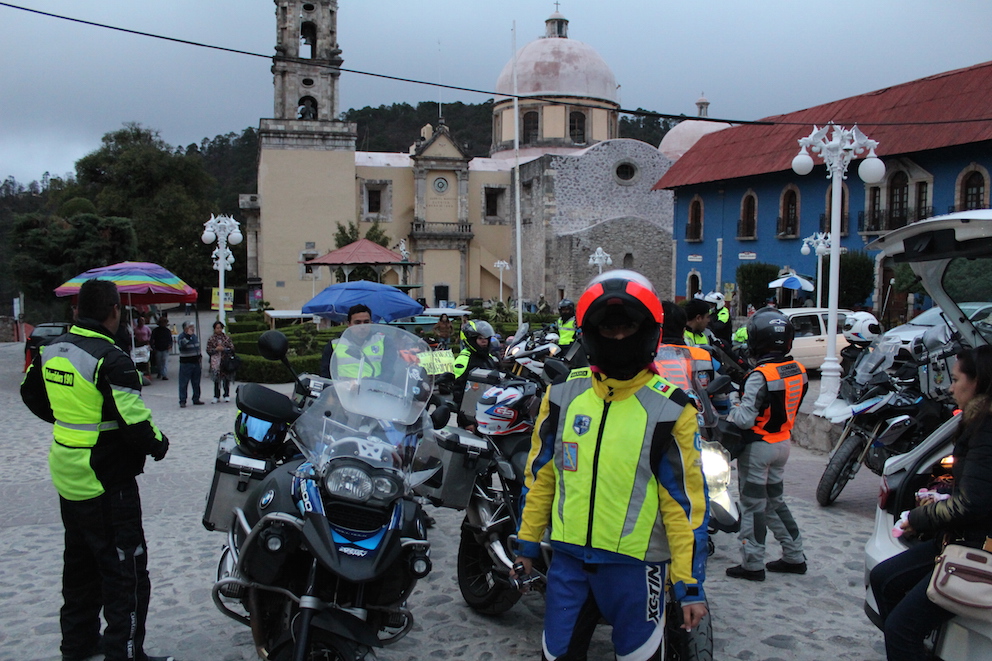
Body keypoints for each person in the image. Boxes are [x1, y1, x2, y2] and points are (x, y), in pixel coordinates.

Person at [514, 270, 708, 660]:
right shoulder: (563, 395)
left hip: (638, 571)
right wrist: (527, 543)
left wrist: (688, 583)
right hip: (568, 566)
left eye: (628, 327)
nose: (618, 337)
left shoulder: (671, 410)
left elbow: (683, 505)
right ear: (590, 332)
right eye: (608, 328)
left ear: (648, 331)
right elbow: (542, 477)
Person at [19, 279, 174, 661]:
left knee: (79, 568)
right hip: (107, 480)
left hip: (68, 472)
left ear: (76, 311)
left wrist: (69, 421)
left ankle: (77, 646)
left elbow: (30, 394)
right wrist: (160, 446)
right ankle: (124, 653)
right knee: (126, 574)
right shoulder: (112, 359)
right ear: (114, 312)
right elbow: (136, 424)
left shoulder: (49, 349)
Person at [869, 345, 992, 660]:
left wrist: (920, 518)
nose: (951, 387)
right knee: (884, 579)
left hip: (976, 544)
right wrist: (939, 499)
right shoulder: (977, 420)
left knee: (901, 630)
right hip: (958, 536)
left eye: (956, 379)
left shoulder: (986, 427)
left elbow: (971, 504)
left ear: (978, 382)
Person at [725, 306, 808, 581]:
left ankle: (752, 563)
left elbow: (745, 419)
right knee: (775, 502)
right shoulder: (798, 369)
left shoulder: (760, 375)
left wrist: (733, 404)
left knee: (752, 506)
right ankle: (794, 555)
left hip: (758, 448)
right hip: (783, 443)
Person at [319, 304, 380, 378]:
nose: (362, 326)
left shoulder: (383, 342)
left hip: (375, 388)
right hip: (344, 388)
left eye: (366, 322)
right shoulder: (334, 345)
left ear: (371, 323)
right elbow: (326, 375)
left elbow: (389, 372)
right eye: (357, 323)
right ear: (349, 324)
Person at [206, 320, 236, 403]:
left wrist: (224, 349)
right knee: (216, 380)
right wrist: (215, 350)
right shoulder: (211, 339)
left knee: (226, 379)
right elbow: (208, 350)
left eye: (220, 328)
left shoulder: (226, 338)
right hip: (215, 362)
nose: (218, 330)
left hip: (225, 361)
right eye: (217, 328)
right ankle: (216, 395)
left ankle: (226, 395)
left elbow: (232, 349)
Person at [177, 321, 204, 408]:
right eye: (190, 327)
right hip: (186, 363)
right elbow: (182, 345)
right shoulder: (182, 337)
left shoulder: (194, 336)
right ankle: (182, 400)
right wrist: (188, 336)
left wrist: (199, 356)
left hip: (195, 362)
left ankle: (196, 398)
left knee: (196, 382)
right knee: (183, 383)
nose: (192, 329)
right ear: (185, 329)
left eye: (193, 327)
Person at [150, 316, 173, 380]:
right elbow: (152, 339)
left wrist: (170, 345)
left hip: (165, 348)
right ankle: (160, 372)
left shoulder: (167, 331)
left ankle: (164, 374)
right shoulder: (155, 331)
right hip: (158, 348)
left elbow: (170, 339)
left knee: (165, 361)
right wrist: (153, 347)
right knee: (159, 362)